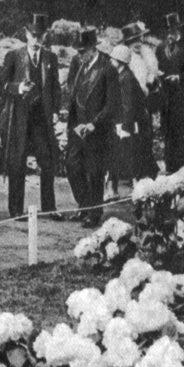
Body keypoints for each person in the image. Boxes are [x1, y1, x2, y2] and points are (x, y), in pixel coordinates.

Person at [0, 14, 62, 220]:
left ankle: (49, 208)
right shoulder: (14, 56)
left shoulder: (50, 58)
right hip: (19, 119)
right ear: (26, 34)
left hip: (41, 120)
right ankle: (16, 211)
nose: (36, 39)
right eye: (33, 35)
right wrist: (18, 87)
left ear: (45, 36)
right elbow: (1, 86)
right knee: (17, 164)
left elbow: (55, 88)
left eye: (40, 35)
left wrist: (56, 112)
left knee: (48, 163)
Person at [65, 26, 119, 227]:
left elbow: (112, 104)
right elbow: (73, 93)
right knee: (72, 166)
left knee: (94, 172)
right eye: (78, 52)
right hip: (78, 127)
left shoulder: (107, 68)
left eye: (82, 52)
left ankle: (94, 213)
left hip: (97, 129)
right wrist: (75, 123)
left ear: (92, 49)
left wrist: (94, 124)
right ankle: (85, 204)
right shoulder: (79, 65)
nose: (79, 56)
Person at [109, 44, 156, 177]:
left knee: (133, 154)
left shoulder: (127, 78)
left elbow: (128, 104)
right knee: (133, 154)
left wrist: (125, 125)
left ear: (120, 62)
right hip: (132, 121)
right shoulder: (123, 75)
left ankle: (141, 181)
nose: (111, 62)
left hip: (133, 122)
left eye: (113, 59)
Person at [156, 13, 184, 172]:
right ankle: (169, 164)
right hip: (166, 96)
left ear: (179, 27)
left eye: (173, 28)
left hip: (181, 95)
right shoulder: (161, 47)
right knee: (167, 131)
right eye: (168, 29)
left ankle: (182, 166)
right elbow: (157, 67)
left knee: (180, 130)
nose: (170, 32)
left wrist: (179, 77)